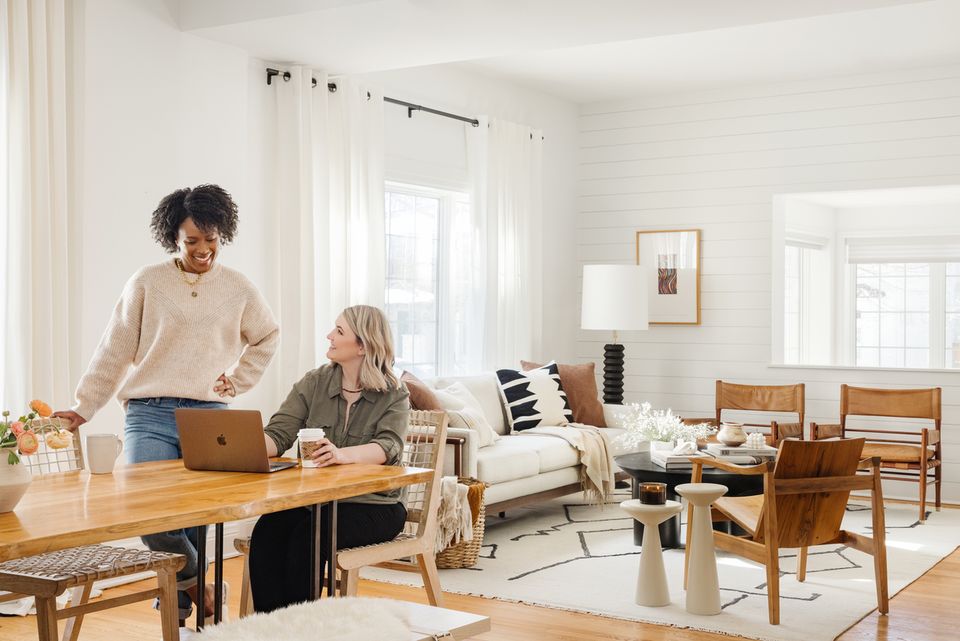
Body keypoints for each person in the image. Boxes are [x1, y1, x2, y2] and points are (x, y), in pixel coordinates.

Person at [53, 184, 279, 625]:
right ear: (173, 236)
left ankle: (178, 615)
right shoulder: (147, 282)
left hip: (208, 416)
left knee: (194, 518)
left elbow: (267, 335)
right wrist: (85, 406)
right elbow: (114, 349)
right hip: (149, 412)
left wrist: (237, 381)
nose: (203, 249)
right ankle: (201, 590)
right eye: (192, 240)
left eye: (211, 239)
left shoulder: (238, 288)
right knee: (150, 512)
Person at [249, 305, 409, 612]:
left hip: (376, 505)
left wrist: (341, 455)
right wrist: (243, 447)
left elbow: (387, 446)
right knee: (268, 530)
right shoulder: (315, 382)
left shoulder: (394, 393)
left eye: (339, 331)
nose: (329, 336)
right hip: (318, 502)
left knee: (308, 537)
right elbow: (279, 434)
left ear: (362, 345)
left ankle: (304, 625)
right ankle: (269, 625)